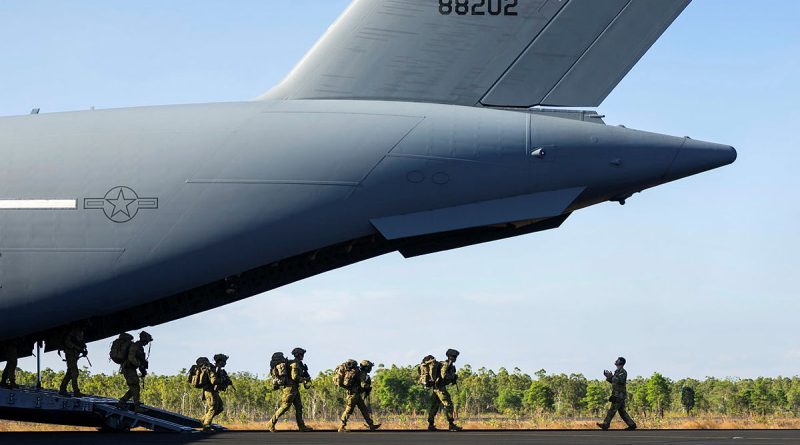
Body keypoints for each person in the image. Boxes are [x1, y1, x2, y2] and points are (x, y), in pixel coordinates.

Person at [267, 347, 313, 432]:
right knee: (285, 407)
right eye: (302, 354)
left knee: (299, 407)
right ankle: (271, 423)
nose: (303, 356)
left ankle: (302, 426)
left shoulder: (297, 363)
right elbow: (294, 377)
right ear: (299, 355)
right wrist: (304, 379)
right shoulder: (295, 364)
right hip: (290, 389)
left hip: (294, 388)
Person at [338, 360, 380, 432]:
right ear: (366, 367)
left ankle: (371, 425)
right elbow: (363, 385)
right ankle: (341, 427)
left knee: (364, 409)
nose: (370, 369)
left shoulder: (358, 372)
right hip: (354, 395)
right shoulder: (362, 374)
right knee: (349, 410)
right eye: (369, 367)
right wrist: (368, 387)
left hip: (356, 394)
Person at [597, 357, 637, 431]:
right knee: (622, 411)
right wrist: (608, 377)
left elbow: (619, 380)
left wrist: (611, 376)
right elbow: (614, 382)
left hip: (619, 395)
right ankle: (632, 425)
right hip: (617, 394)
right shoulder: (617, 371)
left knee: (612, 410)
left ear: (621, 362)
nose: (616, 361)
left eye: (617, 360)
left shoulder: (622, 372)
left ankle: (605, 424)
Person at [117, 331, 152, 412]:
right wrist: (139, 365)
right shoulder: (135, 346)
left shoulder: (139, 347)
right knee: (135, 386)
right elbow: (131, 358)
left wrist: (142, 368)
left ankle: (122, 402)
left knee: (135, 387)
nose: (147, 343)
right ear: (144, 340)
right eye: (147, 341)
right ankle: (136, 406)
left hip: (131, 369)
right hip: (128, 368)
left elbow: (139, 359)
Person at [428, 349, 462, 432]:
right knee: (448, 404)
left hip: (437, 388)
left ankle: (431, 425)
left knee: (434, 406)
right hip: (440, 387)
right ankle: (451, 424)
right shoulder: (446, 364)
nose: (455, 358)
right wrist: (452, 377)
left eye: (455, 357)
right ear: (450, 357)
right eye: (454, 357)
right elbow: (444, 375)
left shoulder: (448, 364)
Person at [59, 324, 87, 397]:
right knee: (75, 372)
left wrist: (83, 351)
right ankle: (76, 391)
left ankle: (62, 389)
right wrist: (78, 348)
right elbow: (68, 343)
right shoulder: (72, 333)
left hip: (75, 356)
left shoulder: (80, 333)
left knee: (69, 373)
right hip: (70, 355)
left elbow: (81, 343)